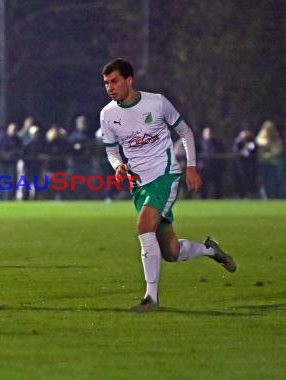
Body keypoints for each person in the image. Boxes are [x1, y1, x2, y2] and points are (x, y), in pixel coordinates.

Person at [99, 58, 237, 311]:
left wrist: (191, 167)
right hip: (139, 184)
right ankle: (209, 250)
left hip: (165, 175)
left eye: (115, 81)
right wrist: (117, 165)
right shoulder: (108, 114)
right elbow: (110, 150)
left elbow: (185, 132)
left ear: (129, 80)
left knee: (143, 227)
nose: (110, 87)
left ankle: (150, 299)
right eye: (107, 83)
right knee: (171, 252)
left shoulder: (157, 102)